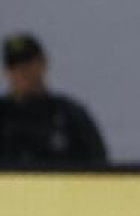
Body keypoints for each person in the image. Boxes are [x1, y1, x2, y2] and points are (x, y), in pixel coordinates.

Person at [0, 32, 108, 166]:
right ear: (6, 72)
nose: (22, 71)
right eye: (14, 66)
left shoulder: (71, 116)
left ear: (43, 64)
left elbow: (100, 169)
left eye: (28, 63)